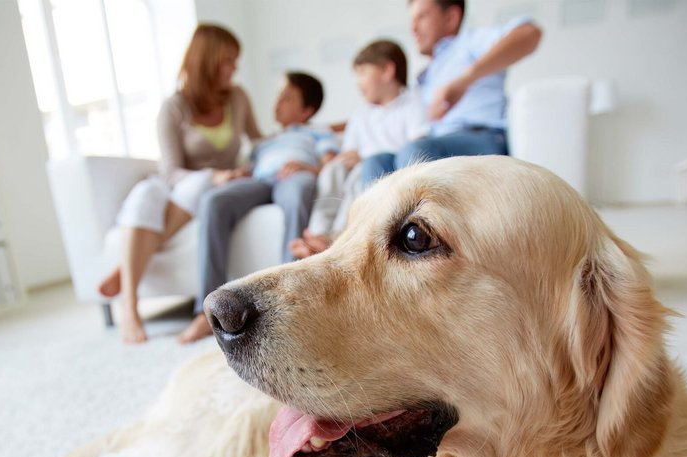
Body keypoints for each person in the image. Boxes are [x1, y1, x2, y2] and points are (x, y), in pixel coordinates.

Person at [97, 24, 261, 344]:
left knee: (202, 187)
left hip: (214, 187)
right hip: (180, 183)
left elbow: (258, 140)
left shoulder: (237, 97)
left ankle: (125, 269)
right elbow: (170, 171)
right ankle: (129, 308)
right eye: (228, 60)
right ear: (208, 61)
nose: (234, 68)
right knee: (145, 193)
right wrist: (213, 174)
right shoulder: (174, 107)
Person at [177, 72, 338, 343]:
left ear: (307, 110)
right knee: (214, 201)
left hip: (294, 176)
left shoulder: (318, 132)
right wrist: (241, 173)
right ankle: (205, 311)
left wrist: (308, 168)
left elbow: (332, 162)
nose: (278, 102)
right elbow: (250, 167)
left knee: (300, 191)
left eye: (288, 98)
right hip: (259, 180)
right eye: (279, 96)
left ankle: (288, 300)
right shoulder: (264, 143)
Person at [360, 0, 542, 185]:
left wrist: (464, 81)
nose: (413, 28)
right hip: (433, 144)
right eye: (412, 20)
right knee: (375, 163)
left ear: (451, 18)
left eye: (422, 17)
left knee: (415, 152)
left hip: (481, 138)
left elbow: (529, 32)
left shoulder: (468, 43)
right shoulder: (425, 76)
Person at [289, 39, 429, 259]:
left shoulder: (412, 104)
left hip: (382, 171)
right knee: (334, 170)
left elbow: (416, 148)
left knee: (358, 175)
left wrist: (361, 159)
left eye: (362, 73)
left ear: (387, 71)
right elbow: (349, 151)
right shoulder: (361, 115)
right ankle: (317, 233)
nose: (358, 83)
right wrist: (346, 158)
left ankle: (339, 236)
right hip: (357, 166)